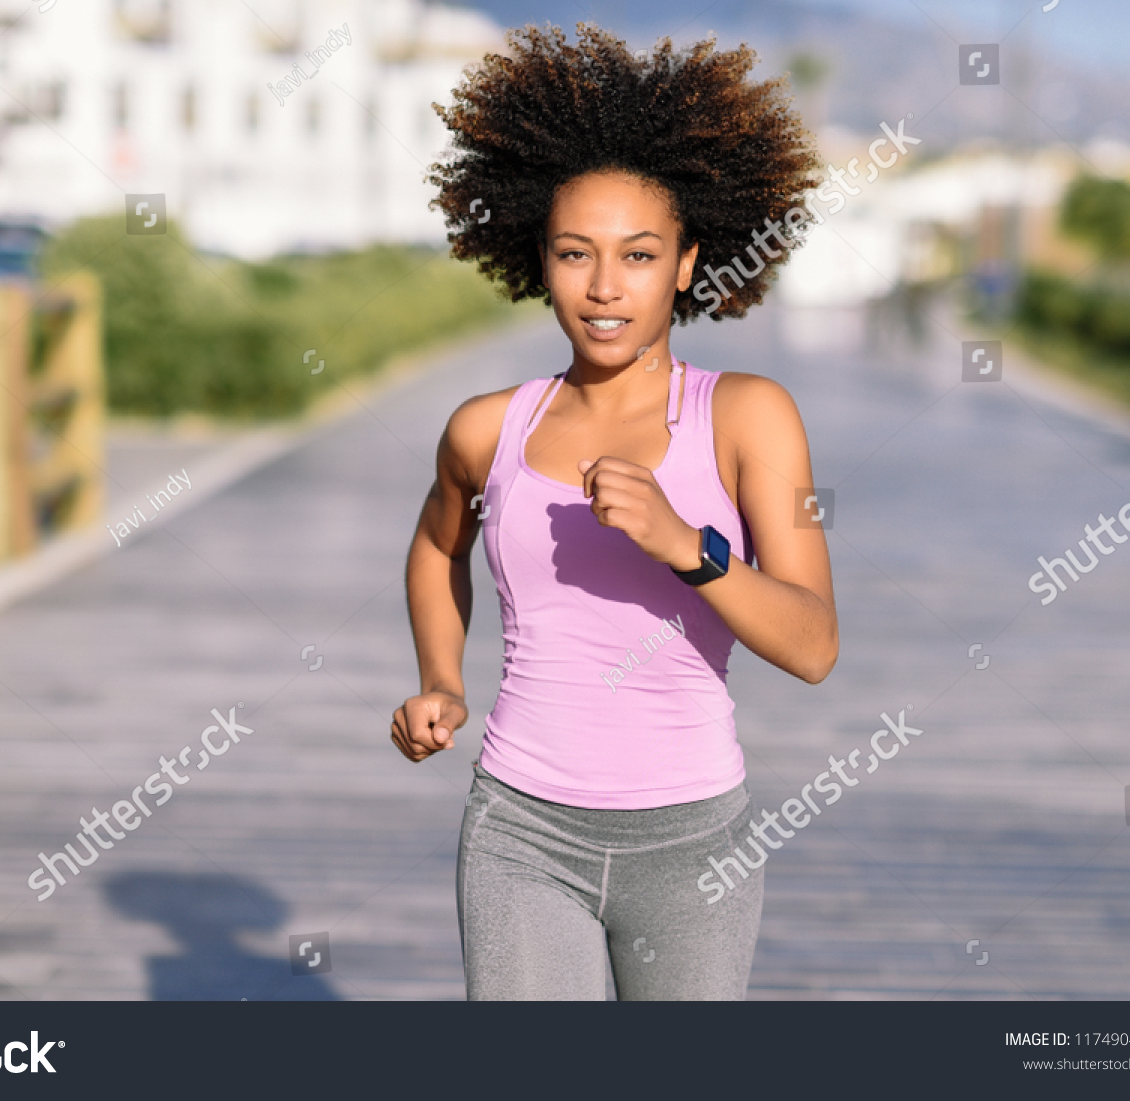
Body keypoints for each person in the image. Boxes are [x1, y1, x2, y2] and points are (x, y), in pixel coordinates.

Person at [391, 23, 838, 1000]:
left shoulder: (748, 417)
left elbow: (812, 647)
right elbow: (436, 547)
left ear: (687, 264)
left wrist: (691, 548)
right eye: (573, 254)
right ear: (535, 258)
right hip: (519, 831)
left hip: (692, 844)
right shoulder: (486, 429)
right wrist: (440, 680)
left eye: (638, 255)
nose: (603, 288)